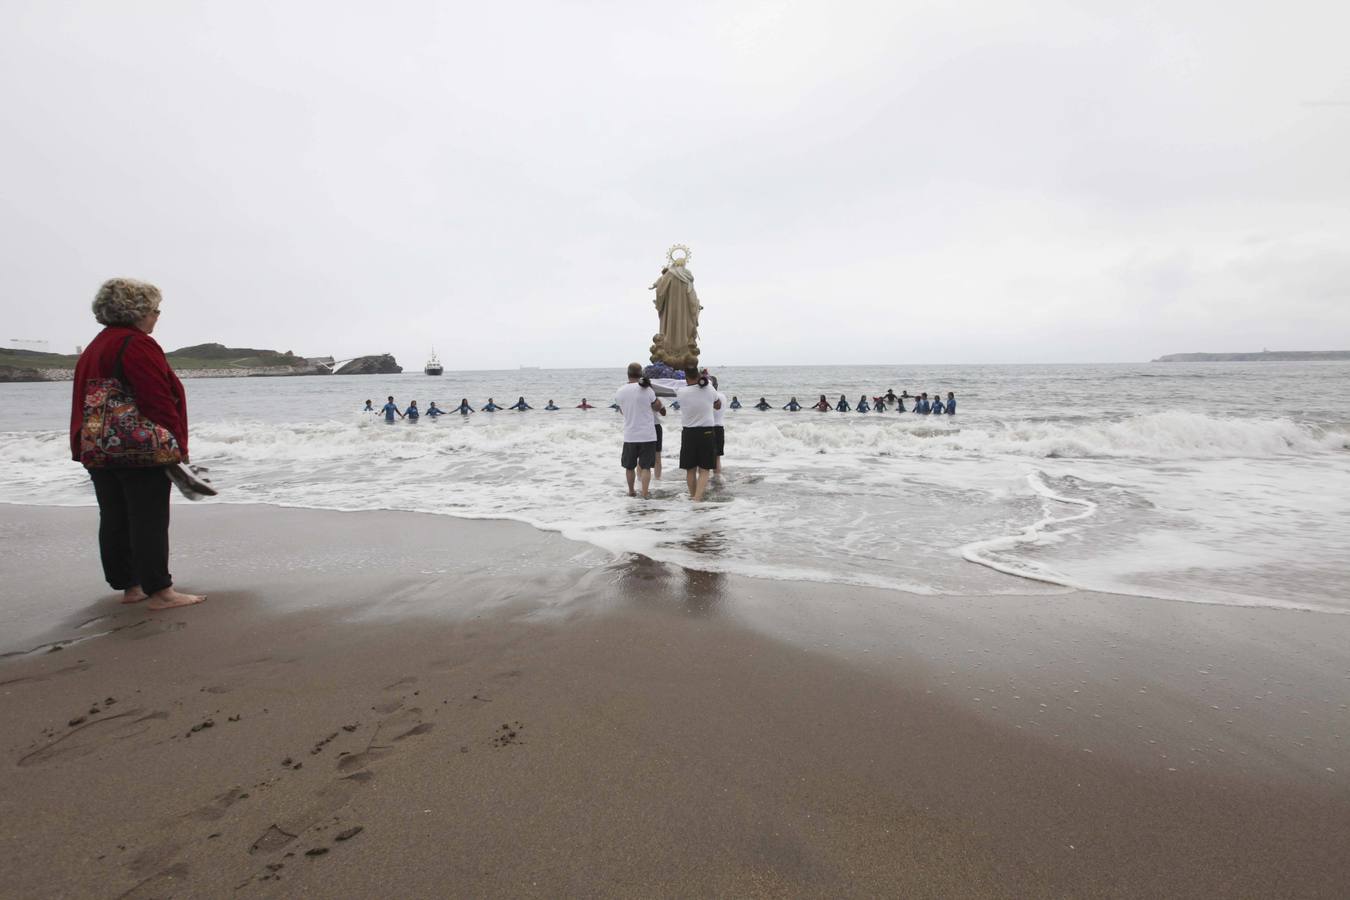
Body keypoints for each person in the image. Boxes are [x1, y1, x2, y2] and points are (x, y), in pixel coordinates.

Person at [70, 278, 205, 611]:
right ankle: (161, 592)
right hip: (138, 447)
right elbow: (157, 398)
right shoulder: (137, 344)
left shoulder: (95, 346)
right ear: (137, 311)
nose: (157, 316)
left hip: (97, 446)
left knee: (115, 515)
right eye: (154, 309)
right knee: (149, 516)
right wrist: (177, 444)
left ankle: (130, 586)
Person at [614, 362, 665, 498]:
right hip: (647, 435)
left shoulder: (620, 391)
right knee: (646, 467)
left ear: (628, 374)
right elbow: (657, 406)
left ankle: (631, 491)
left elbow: (622, 412)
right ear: (641, 373)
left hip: (630, 435)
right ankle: (644, 492)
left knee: (629, 466)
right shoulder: (647, 390)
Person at [677, 367, 720, 500]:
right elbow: (717, 405)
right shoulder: (710, 388)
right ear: (699, 375)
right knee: (704, 468)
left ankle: (693, 496)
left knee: (690, 469)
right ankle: (697, 499)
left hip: (688, 433)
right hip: (706, 431)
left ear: (685, 377)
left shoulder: (681, 392)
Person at [711, 374, 727, 475]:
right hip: (720, 427)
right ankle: (717, 479)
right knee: (717, 457)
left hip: (709, 428)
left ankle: (705, 480)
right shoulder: (723, 396)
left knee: (705, 457)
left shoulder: (710, 396)